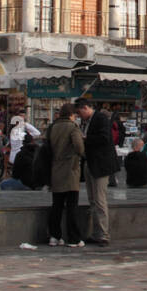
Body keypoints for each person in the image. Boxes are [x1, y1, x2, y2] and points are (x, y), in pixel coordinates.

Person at [76, 97, 118, 246]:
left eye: (80, 112)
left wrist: (86, 138)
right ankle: (96, 233)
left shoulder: (100, 118)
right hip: (90, 162)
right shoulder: (87, 121)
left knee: (100, 200)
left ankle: (103, 235)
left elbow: (104, 138)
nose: (79, 116)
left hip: (100, 164)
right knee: (93, 200)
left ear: (85, 108)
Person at [46, 103, 85, 247]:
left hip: (56, 169)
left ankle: (54, 236)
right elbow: (79, 147)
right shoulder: (73, 127)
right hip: (71, 170)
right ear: (72, 114)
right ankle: (73, 238)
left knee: (56, 205)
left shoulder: (53, 127)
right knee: (71, 206)